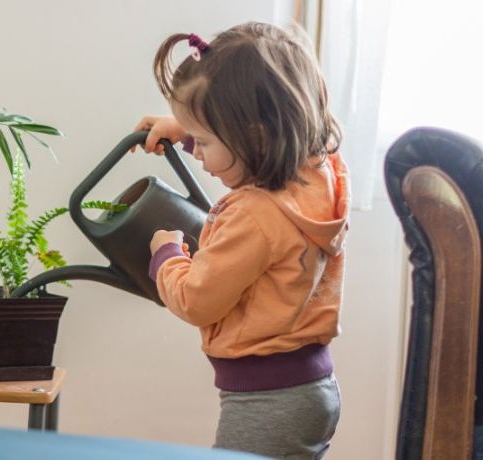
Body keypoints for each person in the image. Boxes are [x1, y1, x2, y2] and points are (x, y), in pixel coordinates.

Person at [135, 22, 349, 459]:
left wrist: (167, 255)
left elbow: (197, 300)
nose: (198, 154)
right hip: (309, 388)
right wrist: (190, 128)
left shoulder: (255, 216)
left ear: (257, 136)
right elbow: (295, 113)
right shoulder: (320, 173)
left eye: (207, 141)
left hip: (266, 402)